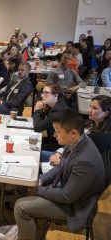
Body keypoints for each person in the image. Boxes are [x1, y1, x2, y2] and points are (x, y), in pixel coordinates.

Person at [14, 109, 105, 240]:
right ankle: (32, 228)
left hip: (75, 208)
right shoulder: (77, 141)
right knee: (25, 181)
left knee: (21, 207)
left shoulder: (85, 161)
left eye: (58, 131)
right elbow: (61, 166)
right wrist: (41, 180)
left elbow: (66, 197)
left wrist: (38, 189)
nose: (54, 135)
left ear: (73, 133)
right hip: (66, 191)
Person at [33, 84, 70, 157]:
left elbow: (38, 127)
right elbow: (43, 122)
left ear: (56, 96)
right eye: (42, 92)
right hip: (55, 141)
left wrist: (38, 110)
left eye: (46, 93)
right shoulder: (58, 105)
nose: (42, 96)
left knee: (32, 151)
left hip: (60, 148)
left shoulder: (58, 111)